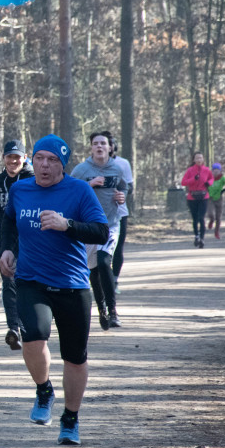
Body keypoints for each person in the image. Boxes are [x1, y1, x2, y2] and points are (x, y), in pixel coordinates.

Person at [0, 134, 109, 446]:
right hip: (32, 281)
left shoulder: (79, 190)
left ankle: (70, 418)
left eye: (53, 161)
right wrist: (6, 250)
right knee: (33, 337)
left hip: (72, 285)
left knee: (75, 357)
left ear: (63, 165)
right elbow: (7, 223)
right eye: (39, 159)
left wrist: (67, 225)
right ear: (31, 161)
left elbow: (100, 231)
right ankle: (44, 389)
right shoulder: (20, 189)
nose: (45, 165)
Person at [0, 139, 34, 350]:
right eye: (10, 157)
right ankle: (14, 328)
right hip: (5, 237)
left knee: (26, 281)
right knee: (8, 280)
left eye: (17, 157)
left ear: (24, 159)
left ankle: (30, 323)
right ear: (3, 158)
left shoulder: (32, 179)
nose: (13, 161)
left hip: (29, 237)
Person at [70, 132, 127, 330]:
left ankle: (113, 311)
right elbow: (69, 191)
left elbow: (124, 188)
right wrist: (89, 185)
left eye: (103, 143)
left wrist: (122, 196)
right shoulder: (81, 170)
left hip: (110, 224)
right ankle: (101, 308)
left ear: (110, 147)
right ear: (91, 148)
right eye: (96, 143)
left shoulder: (117, 169)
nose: (100, 146)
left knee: (104, 262)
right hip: (89, 225)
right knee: (93, 271)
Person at [107, 137, 134, 293]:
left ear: (113, 147)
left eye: (109, 144)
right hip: (100, 213)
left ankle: (115, 280)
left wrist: (120, 193)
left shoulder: (122, 164)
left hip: (120, 212)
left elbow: (130, 187)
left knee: (118, 248)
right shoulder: (90, 166)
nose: (105, 147)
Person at [181, 152, 214, 248]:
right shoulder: (190, 170)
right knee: (195, 219)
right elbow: (183, 182)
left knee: (201, 218)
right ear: (194, 160)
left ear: (203, 160)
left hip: (204, 196)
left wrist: (209, 183)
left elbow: (211, 179)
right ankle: (196, 236)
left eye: (200, 158)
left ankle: (202, 238)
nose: (199, 160)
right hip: (192, 197)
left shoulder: (207, 170)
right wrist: (193, 179)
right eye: (197, 158)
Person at [206, 163, 225, 239]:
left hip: (219, 198)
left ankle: (217, 232)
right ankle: (211, 220)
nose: (216, 172)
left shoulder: (222, 178)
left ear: (220, 171)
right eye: (214, 170)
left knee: (218, 216)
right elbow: (204, 184)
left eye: (218, 170)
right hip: (210, 198)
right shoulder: (209, 177)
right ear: (212, 171)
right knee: (210, 213)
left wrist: (223, 190)